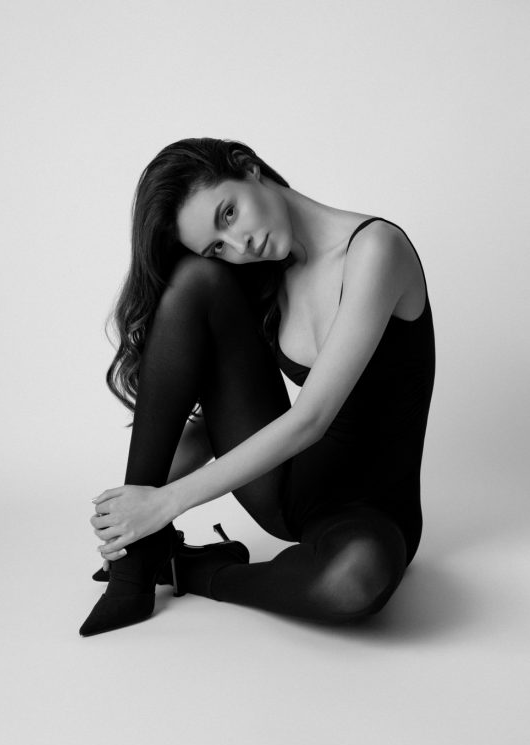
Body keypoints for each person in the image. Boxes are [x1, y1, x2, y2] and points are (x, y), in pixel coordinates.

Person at [79, 137, 435, 637]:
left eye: (228, 213)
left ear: (248, 168)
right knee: (195, 280)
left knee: (353, 582)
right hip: (288, 491)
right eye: (218, 245)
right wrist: (129, 511)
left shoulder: (376, 249)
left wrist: (164, 505)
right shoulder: (267, 275)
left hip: (372, 515)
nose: (239, 246)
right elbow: (217, 426)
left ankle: (190, 571)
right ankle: (136, 560)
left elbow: (311, 419)